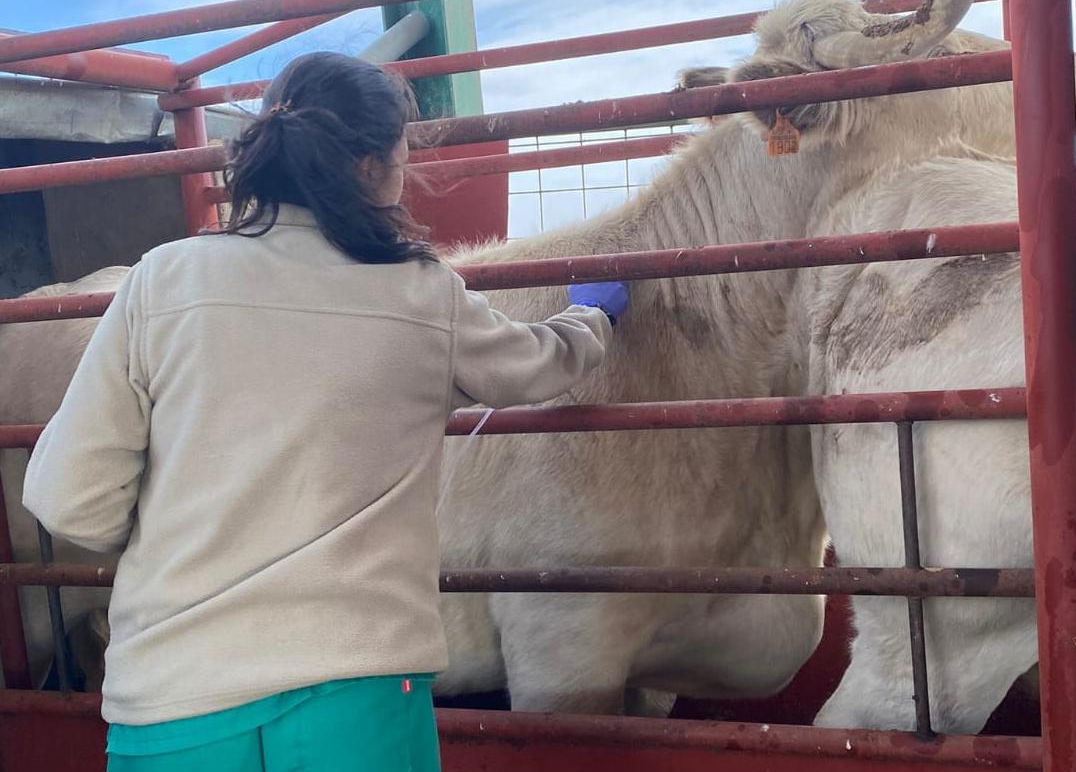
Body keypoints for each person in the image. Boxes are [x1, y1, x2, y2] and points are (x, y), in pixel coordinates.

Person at [23, 51, 630, 772]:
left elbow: (69, 500)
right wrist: (590, 319)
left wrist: (189, 539)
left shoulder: (164, 280)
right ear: (374, 167)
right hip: (357, 699)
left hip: (171, 705)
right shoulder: (417, 293)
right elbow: (534, 366)